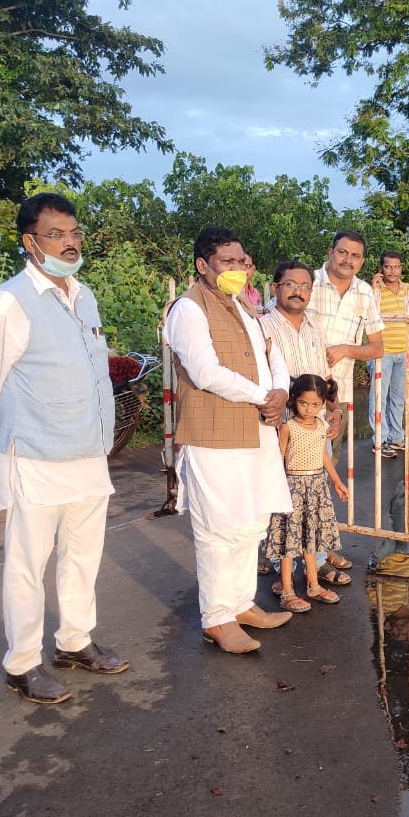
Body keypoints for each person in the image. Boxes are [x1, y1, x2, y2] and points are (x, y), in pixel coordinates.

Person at [0, 192, 127, 704]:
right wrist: (1, 430)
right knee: (28, 564)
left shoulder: (85, 295)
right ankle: (23, 664)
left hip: (88, 453)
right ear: (30, 242)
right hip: (33, 454)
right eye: (56, 234)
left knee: (83, 556)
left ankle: (74, 642)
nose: (70, 242)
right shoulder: (7, 302)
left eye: (74, 232)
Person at [163, 226, 295, 655]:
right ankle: (217, 618)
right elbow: (205, 371)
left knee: (251, 521)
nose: (237, 269)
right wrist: (264, 396)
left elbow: (274, 355)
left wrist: (280, 392)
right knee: (218, 527)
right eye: (227, 262)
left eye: (241, 261)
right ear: (203, 266)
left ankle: (241, 604)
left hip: (257, 428)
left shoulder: (245, 306)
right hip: (214, 433)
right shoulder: (188, 309)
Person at [258, 259, 348, 579]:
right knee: (273, 487)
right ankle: (273, 553)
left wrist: (334, 410)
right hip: (275, 425)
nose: (298, 291)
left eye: (305, 286)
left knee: (312, 494)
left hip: (312, 426)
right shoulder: (262, 327)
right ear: (275, 287)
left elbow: (326, 377)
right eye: (290, 285)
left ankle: (316, 560)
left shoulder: (315, 327)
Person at [264, 375, 350, 611]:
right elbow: (279, 456)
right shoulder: (287, 427)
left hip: (316, 487)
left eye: (315, 405)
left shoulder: (322, 426)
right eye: (303, 403)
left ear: (323, 404)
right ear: (294, 400)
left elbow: (324, 455)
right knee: (288, 540)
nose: (309, 409)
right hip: (292, 487)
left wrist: (337, 481)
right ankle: (288, 590)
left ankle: (313, 585)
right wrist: (274, 485)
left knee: (311, 538)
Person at [307, 229, 385, 456]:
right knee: (292, 462)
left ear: (362, 261)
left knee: (330, 460)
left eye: (355, 256)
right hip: (299, 389)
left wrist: (346, 350)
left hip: (337, 395)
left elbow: (378, 348)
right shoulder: (306, 281)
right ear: (330, 252)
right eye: (342, 252)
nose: (347, 260)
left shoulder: (364, 292)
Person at [369, 251, 409, 458]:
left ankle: (396, 437)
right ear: (381, 268)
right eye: (388, 266)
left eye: (396, 266)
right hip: (380, 352)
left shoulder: (407, 290)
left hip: (402, 352)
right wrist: (373, 287)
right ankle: (380, 441)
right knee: (379, 398)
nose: (392, 271)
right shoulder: (374, 291)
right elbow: (365, 311)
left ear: (401, 268)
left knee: (398, 398)